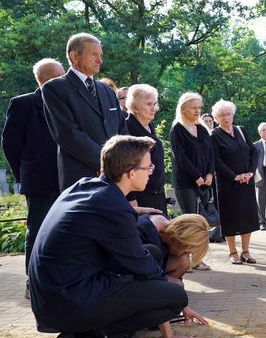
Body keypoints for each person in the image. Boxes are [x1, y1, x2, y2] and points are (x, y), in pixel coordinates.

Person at [29, 135, 205, 338]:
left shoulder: (85, 187)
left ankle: (91, 333)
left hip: (53, 296)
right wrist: (177, 295)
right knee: (175, 297)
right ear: (131, 173)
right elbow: (140, 264)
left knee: (154, 256)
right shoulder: (112, 206)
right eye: (148, 168)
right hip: (68, 301)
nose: (152, 172)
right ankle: (91, 336)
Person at [1, 58, 64, 299]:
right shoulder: (23, 104)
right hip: (39, 181)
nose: (64, 80)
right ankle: (33, 281)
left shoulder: (69, 103)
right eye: (59, 76)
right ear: (45, 79)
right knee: (37, 230)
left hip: (68, 179)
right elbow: (10, 145)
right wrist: (24, 175)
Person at [42, 32, 128, 191]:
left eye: (100, 55)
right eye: (94, 54)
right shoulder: (55, 89)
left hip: (116, 177)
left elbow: (121, 129)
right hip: (80, 178)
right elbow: (68, 134)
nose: (100, 60)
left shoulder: (107, 91)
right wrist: (105, 162)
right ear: (74, 56)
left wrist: (123, 162)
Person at [210, 100, 260, 264]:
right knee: (230, 218)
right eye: (222, 115)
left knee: (248, 217)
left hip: (247, 183)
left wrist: (250, 172)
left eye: (228, 114)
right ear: (216, 118)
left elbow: (254, 151)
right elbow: (216, 160)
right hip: (227, 185)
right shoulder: (214, 135)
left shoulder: (241, 130)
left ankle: (246, 251)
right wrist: (235, 176)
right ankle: (232, 252)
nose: (226, 118)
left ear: (233, 115)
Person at [169, 92, 214, 214]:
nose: (197, 111)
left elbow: (211, 153)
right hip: (186, 183)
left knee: (204, 222)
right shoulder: (177, 129)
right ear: (183, 109)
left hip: (205, 182)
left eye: (199, 107)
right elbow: (180, 157)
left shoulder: (202, 129)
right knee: (192, 221)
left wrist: (210, 174)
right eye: (194, 108)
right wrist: (196, 176)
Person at [125, 84, 167, 214]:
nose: (153, 108)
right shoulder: (127, 128)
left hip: (157, 193)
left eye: (155, 104)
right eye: (149, 104)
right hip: (139, 195)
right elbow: (125, 165)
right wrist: (130, 198)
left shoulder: (150, 126)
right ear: (135, 106)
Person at [136, 213, 209, 284]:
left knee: (183, 262)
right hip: (134, 273)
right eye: (185, 252)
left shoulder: (165, 227)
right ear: (178, 239)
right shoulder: (147, 233)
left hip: (148, 268)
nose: (182, 254)